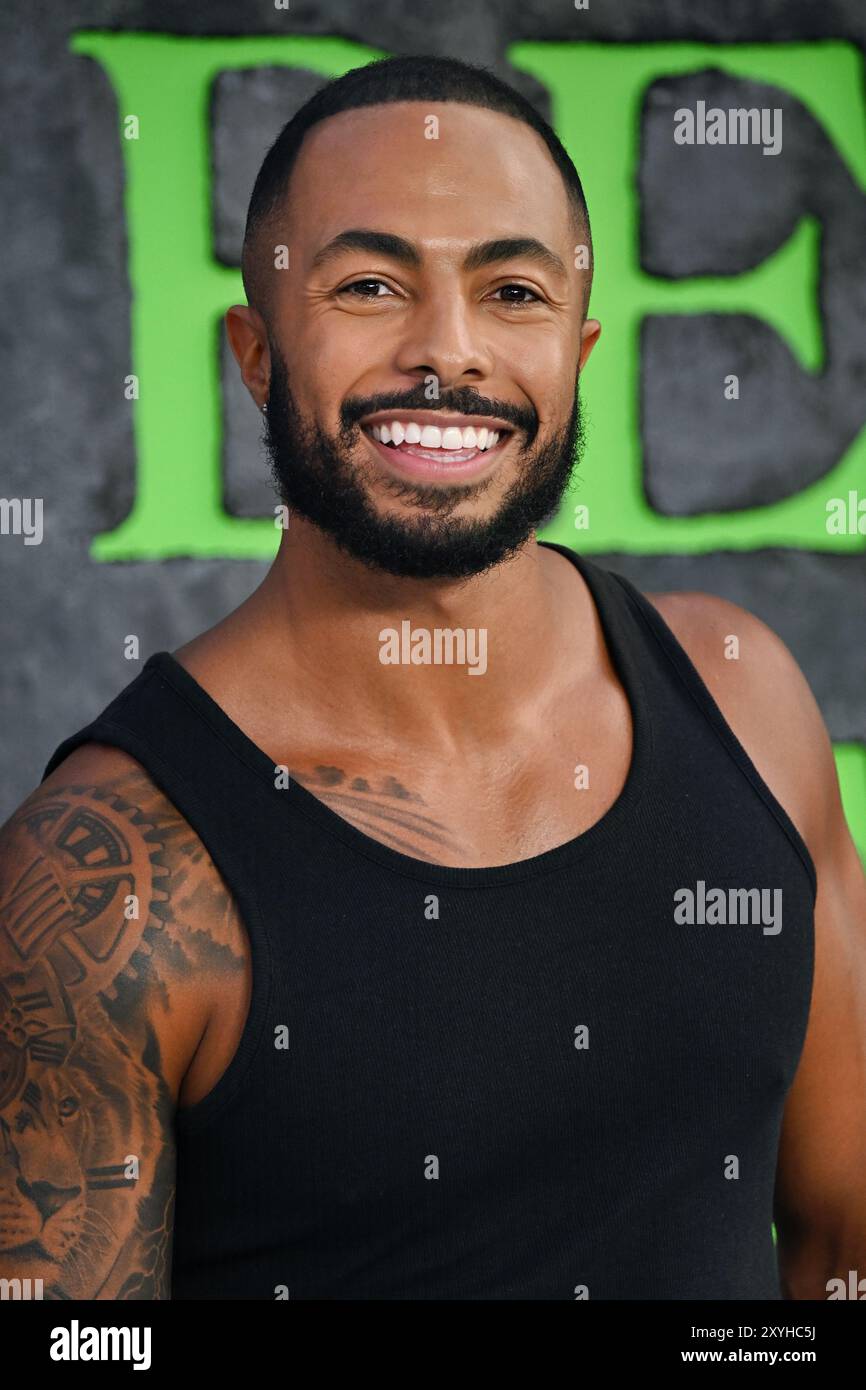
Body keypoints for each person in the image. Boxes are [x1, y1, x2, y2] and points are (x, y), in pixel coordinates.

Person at [2, 55, 864, 1301]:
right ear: (255, 352)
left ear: (576, 350)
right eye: (367, 284)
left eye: (509, 290)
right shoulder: (109, 876)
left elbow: (840, 1251)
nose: (445, 354)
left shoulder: (739, 695)